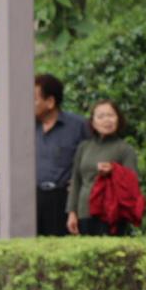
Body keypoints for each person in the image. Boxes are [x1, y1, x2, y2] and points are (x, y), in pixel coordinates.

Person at [67, 99, 139, 236]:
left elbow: (133, 183)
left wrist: (114, 170)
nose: (107, 120)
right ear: (93, 123)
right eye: (101, 116)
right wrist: (72, 212)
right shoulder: (84, 147)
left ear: (118, 119)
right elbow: (76, 181)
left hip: (111, 213)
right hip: (84, 211)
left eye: (111, 115)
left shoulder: (125, 149)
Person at [34, 74, 89, 236]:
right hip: (32, 198)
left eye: (33, 98)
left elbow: (92, 157)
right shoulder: (25, 126)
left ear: (50, 102)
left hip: (64, 200)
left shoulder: (78, 126)